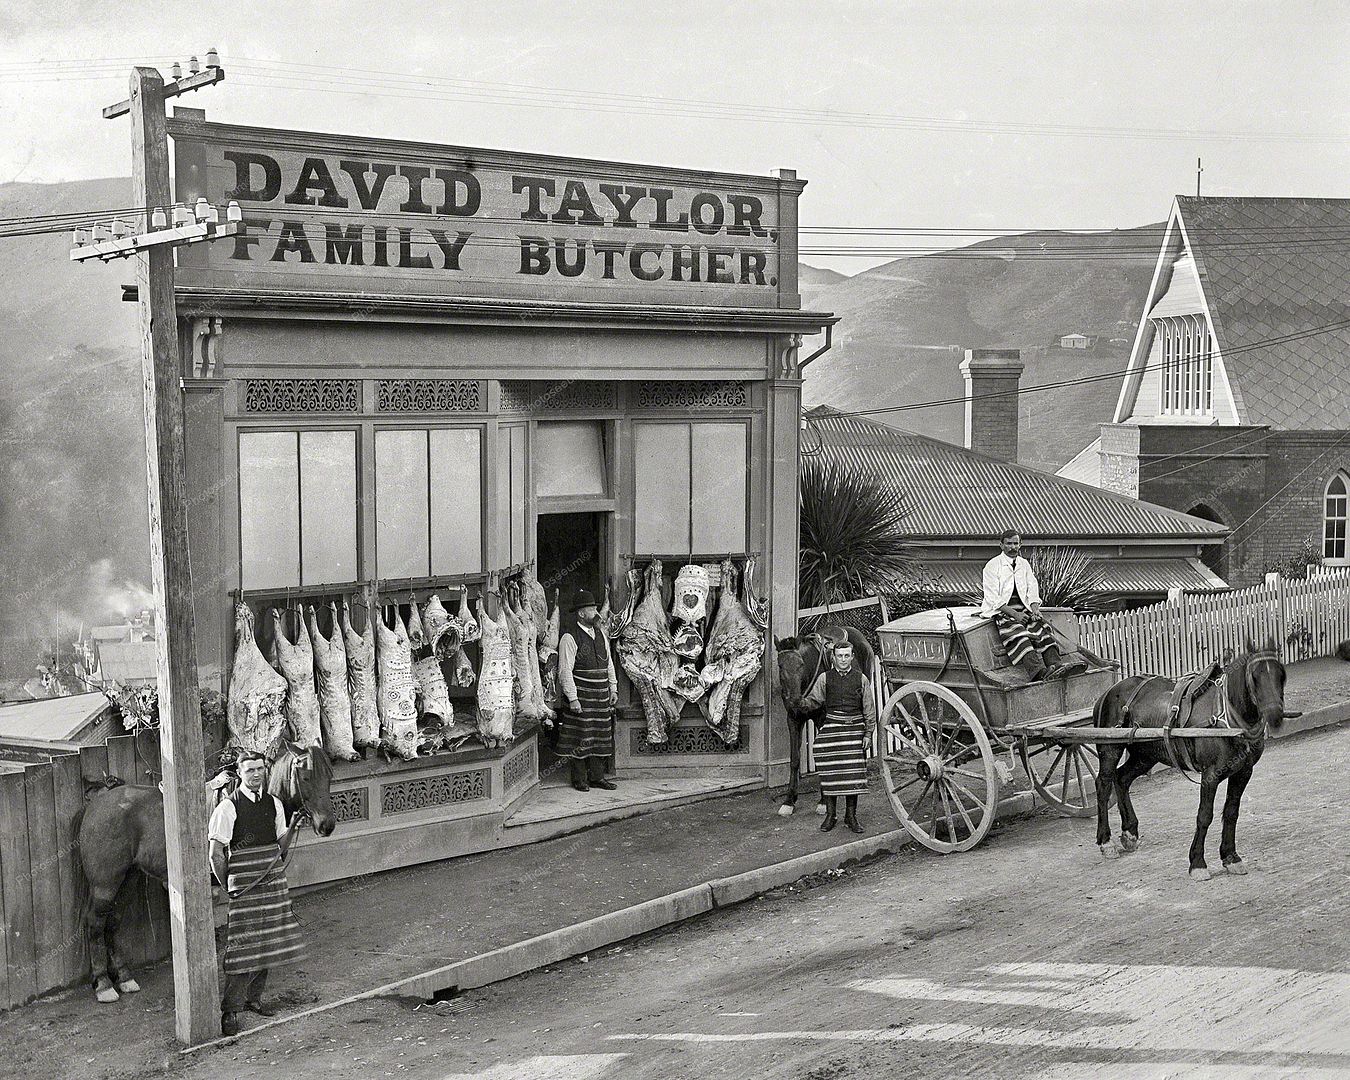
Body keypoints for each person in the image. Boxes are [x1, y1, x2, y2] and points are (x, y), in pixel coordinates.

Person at [208, 750, 305, 1036]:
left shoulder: (274, 803)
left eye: (260, 769)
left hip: (273, 883)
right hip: (245, 889)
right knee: (241, 948)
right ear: (240, 773)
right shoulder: (227, 808)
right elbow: (215, 854)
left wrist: (294, 825)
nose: (256, 774)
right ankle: (231, 1009)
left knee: (267, 942)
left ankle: (253, 999)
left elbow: (281, 846)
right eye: (249, 770)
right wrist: (229, 887)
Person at [980, 530, 1086, 680]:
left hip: (1024, 609)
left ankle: (1055, 666)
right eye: (1009, 543)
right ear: (1001, 545)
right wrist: (1015, 614)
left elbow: (1032, 588)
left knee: (1043, 631)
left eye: (1016, 543)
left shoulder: (1024, 565)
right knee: (1020, 636)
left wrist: (1035, 609)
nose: (1012, 547)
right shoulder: (992, 566)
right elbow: (992, 597)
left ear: (1020, 544)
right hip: (1004, 612)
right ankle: (1038, 673)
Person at [799, 640, 877, 834]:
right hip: (833, 727)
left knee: (852, 774)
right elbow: (814, 701)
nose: (843, 659)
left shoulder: (861, 679)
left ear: (852, 657)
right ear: (833, 658)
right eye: (839, 656)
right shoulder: (825, 678)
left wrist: (868, 733)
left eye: (846, 655)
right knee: (830, 770)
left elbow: (869, 709)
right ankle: (830, 816)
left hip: (854, 729)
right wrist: (799, 703)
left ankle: (851, 816)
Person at [556, 587, 619, 793]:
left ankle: (597, 778)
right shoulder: (569, 637)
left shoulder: (601, 634)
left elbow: (609, 663)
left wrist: (613, 688)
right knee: (581, 736)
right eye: (592, 609)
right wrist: (573, 699)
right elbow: (565, 670)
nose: (596, 612)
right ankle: (580, 779)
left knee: (600, 736)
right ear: (581, 613)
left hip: (601, 695)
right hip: (581, 695)